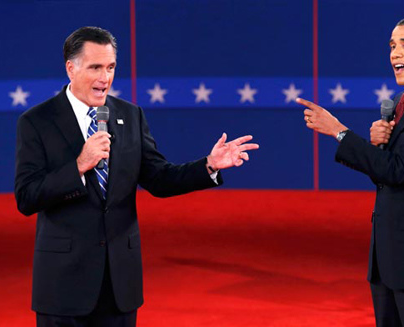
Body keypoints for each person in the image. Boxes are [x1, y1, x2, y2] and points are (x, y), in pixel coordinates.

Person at [15, 26, 259, 327]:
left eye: (111, 67)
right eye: (95, 67)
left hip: (120, 284)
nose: (105, 78)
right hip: (64, 285)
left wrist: (209, 165)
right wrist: (79, 165)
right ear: (71, 68)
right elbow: (26, 197)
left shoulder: (129, 116)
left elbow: (159, 178)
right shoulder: (37, 121)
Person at [297, 17, 404, 326]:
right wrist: (379, 147)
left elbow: (398, 172)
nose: (394, 54)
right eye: (392, 46)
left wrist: (339, 132)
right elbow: (387, 175)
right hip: (391, 257)